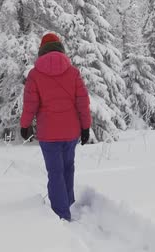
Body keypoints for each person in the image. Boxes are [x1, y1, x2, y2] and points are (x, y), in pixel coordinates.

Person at [20, 33, 92, 221]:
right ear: (60, 48)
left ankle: (61, 214)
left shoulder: (34, 75)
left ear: (41, 50)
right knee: (68, 167)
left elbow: (30, 104)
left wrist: (25, 125)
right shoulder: (73, 72)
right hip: (71, 132)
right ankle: (66, 202)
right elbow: (82, 102)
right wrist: (85, 127)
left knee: (55, 172)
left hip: (48, 134)